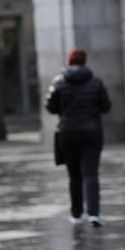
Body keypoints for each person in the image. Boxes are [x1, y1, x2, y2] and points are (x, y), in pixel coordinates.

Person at [46, 48, 111, 227]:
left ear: (69, 62)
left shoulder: (59, 82)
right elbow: (105, 106)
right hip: (92, 132)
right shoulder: (96, 83)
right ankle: (94, 214)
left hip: (68, 133)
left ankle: (76, 214)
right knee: (91, 173)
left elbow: (50, 106)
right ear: (85, 62)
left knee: (74, 175)